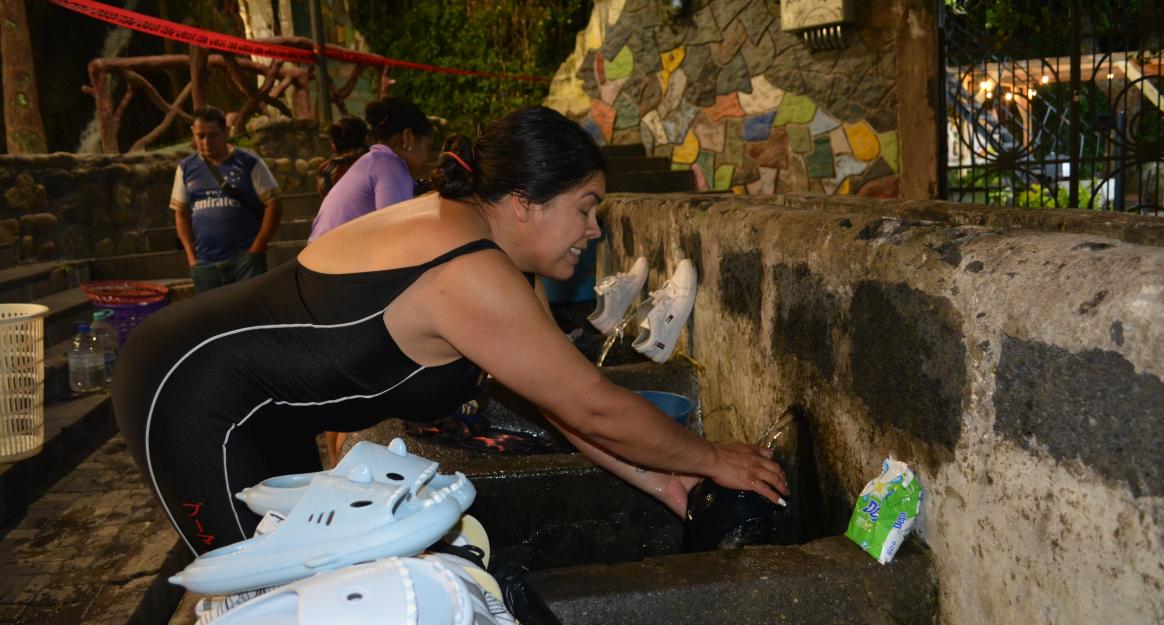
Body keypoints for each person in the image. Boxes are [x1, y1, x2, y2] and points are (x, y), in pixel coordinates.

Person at [113, 106, 787, 556]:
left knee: (308, 586)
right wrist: (708, 457)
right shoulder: (468, 269)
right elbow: (592, 402)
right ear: (525, 203)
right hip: (190, 395)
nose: (595, 230)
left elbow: (559, 404)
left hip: (264, 413)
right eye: (585, 209)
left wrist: (665, 482)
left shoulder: (469, 237)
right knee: (265, 602)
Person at [171, 106, 283, 294]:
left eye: (213, 135)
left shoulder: (248, 163)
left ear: (226, 132)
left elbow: (274, 203)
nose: (206, 142)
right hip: (206, 265)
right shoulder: (186, 168)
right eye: (201, 136)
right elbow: (180, 213)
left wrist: (257, 248)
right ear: (193, 134)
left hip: (244, 261)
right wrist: (192, 258)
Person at [308, 97, 434, 243]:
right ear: (408, 137)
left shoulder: (373, 161)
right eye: (427, 147)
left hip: (320, 256)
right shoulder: (390, 167)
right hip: (332, 261)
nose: (427, 158)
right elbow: (396, 236)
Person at [315, 115, 368, 197]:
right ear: (365, 139)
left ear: (334, 145)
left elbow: (327, 198)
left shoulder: (326, 169)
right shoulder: (375, 162)